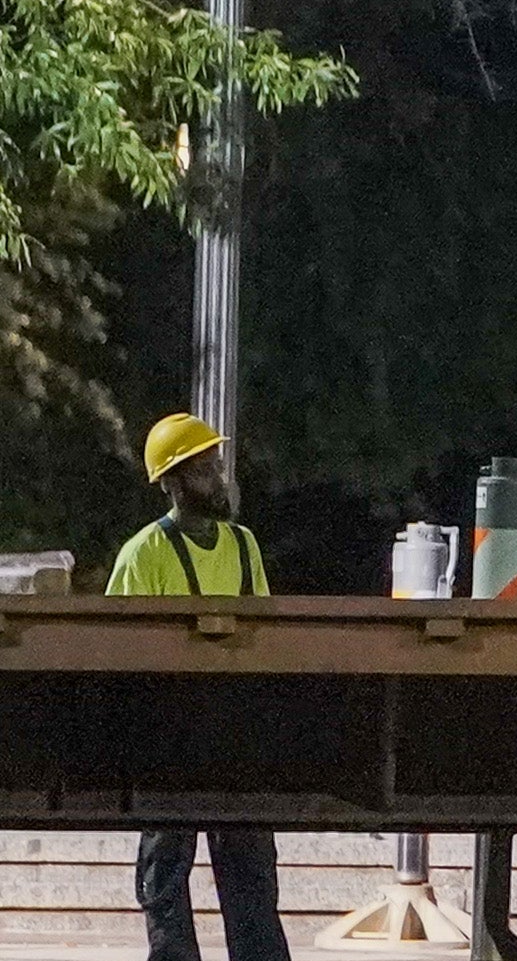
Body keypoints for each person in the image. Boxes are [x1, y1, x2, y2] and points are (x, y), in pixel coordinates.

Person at [110, 412, 291, 961]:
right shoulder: (145, 553)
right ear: (172, 483)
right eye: (204, 470)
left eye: (217, 467)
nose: (218, 479)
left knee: (252, 872)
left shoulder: (244, 546)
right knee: (165, 869)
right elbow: (117, 648)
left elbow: (265, 635)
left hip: (236, 732)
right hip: (169, 733)